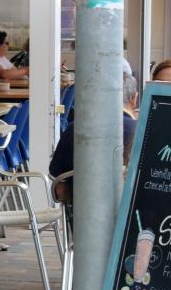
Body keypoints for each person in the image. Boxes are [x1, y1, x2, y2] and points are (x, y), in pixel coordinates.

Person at [50, 73, 138, 201]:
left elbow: (58, 189)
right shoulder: (143, 132)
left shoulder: (75, 129)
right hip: (132, 216)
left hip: (80, 216)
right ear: (134, 99)